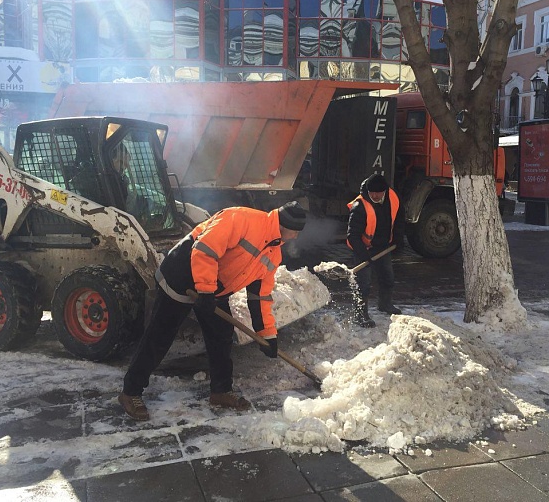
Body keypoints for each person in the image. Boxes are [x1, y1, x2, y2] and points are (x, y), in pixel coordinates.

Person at [118, 201, 307, 421]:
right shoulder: (242, 219)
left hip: (212, 286)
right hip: (182, 273)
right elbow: (204, 250)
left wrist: (267, 334)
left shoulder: (274, 253)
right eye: (295, 232)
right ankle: (130, 392)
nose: (295, 237)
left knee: (221, 336)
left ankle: (221, 391)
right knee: (160, 336)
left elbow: (260, 297)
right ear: (286, 226)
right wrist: (206, 291)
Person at [346, 173, 404, 328]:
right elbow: (352, 235)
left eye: (379, 193)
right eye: (373, 193)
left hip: (383, 246)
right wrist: (364, 255)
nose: (376, 196)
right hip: (363, 248)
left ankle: (385, 304)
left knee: (388, 278)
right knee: (363, 284)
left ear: (385, 191)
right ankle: (360, 314)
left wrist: (398, 238)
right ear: (368, 192)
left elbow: (399, 219)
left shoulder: (392, 198)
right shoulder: (359, 207)